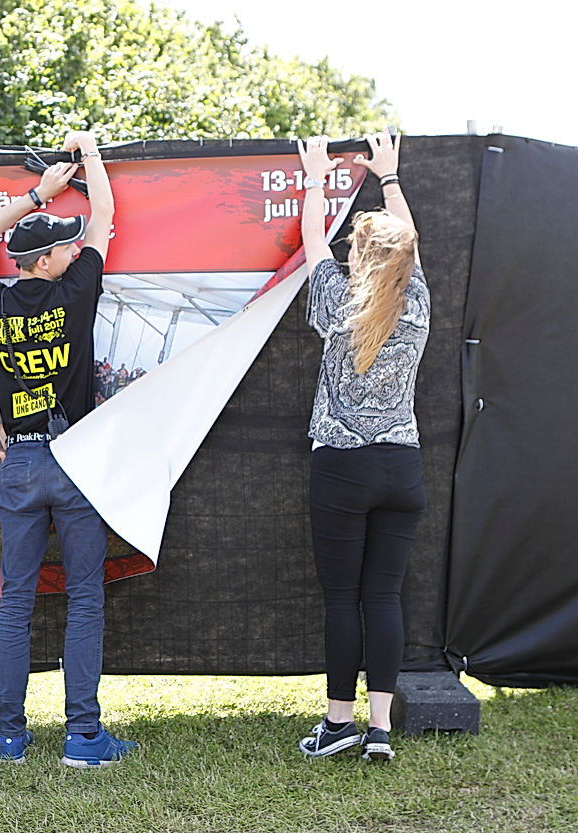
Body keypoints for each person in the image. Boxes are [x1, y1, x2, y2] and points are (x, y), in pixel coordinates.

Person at [0, 128, 136, 768]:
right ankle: (83, 737)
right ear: (42, 262)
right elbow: (107, 215)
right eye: (62, 247)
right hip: (76, 460)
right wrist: (86, 151)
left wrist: (37, 193)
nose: (72, 250)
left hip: (22, 462)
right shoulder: (77, 292)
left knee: (16, 600)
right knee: (84, 596)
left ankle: (11, 738)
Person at [296, 133, 429, 763]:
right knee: (384, 597)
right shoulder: (418, 304)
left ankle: (338, 722)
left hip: (343, 469)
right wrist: (391, 178)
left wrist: (317, 177)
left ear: (362, 258)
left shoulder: (337, 302)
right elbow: (411, 246)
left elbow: (313, 241)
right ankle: (379, 730)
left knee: (342, 600)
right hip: (402, 469)